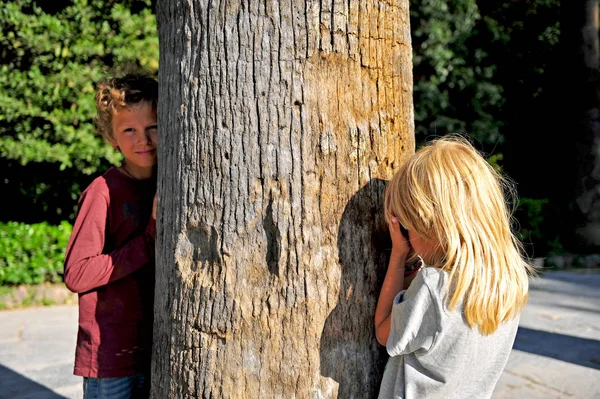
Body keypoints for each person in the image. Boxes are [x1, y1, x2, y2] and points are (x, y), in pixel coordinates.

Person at [374, 135, 535, 399]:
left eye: (408, 225)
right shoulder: (510, 281)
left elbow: (383, 331)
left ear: (432, 226)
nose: (406, 233)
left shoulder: (434, 287)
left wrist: (399, 256)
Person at [63, 72, 159, 399]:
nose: (142, 139)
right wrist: (148, 239)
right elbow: (77, 274)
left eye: (153, 127)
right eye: (129, 130)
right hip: (111, 358)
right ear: (112, 137)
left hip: (155, 348)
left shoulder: (170, 181)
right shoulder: (102, 192)